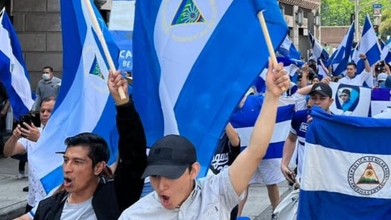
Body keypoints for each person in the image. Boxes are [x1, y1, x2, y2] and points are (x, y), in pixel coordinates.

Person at [118, 61, 292, 219]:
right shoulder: (134, 216)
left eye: (171, 175)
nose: (161, 185)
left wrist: (272, 96)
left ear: (193, 170)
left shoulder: (217, 192)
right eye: (155, 176)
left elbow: (255, 151)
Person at [34, 71, 146, 220]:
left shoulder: (114, 199)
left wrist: (123, 104)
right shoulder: (47, 208)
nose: (67, 168)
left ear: (98, 167)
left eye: (78, 162)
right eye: (66, 160)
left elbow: (134, 155)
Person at [3, 96, 56, 219]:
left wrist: (40, 139)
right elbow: (8, 152)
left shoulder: (65, 134)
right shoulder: (32, 132)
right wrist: (14, 137)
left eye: (49, 111)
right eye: (42, 111)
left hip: (53, 198)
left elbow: (60, 156)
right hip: (33, 199)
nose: (45, 114)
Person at [281, 82, 334, 186]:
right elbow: (291, 139)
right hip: (303, 181)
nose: (317, 102)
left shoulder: (336, 123)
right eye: (314, 98)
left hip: (327, 183)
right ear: (309, 99)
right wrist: (284, 164)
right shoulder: (299, 117)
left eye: (322, 98)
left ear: (330, 101)